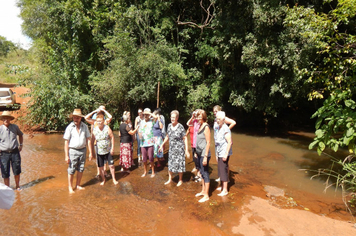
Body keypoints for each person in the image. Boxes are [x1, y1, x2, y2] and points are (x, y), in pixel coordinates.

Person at [64, 109, 93, 193]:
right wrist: (66, 156)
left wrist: (90, 152)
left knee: (81, 168)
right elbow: (66, 142)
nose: (75, 119)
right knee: (71, 169)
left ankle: (78, 185)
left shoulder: (85, 126)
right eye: (74, 117)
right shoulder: (70, 127)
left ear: (80, 118)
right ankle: (70, 187)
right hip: (73, 150)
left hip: (83, 150)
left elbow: (88, 139)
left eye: (77, 118)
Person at [159, 110, 190, 187]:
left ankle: (180, 180)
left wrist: (186, 150)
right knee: (170, 163)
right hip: (172, 149)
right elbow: (167, 136)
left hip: (179, 149)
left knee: (179, 164)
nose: (172, 119)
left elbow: (185, 138)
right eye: (171, 117)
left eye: (173, 117)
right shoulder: (169, 126)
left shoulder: (180, 127)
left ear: (177, 118)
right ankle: (170, 179)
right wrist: (162, 144)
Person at [85, 106, 112, 179]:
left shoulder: (105, 121)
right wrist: (94, 111)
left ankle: (105, 171)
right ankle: (98, 172)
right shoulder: (94, 121)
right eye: (100, 111)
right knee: (98, 157)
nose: (100, 112)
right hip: (96, 142)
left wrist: (104, 111)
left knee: (105, 157)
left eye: (102, 111)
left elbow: (110, 116)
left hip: (105, 142)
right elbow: (86, 118)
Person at [91, 114, 118, 185]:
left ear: (103, 121)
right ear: (96, 122)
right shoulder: (95, 130)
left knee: (111, 165)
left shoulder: (107, 128)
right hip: (99, 151)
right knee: (101, 167)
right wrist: (92, 152)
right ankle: (103, 179)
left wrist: (112, 148)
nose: (99, 122)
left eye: (100, 121)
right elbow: (92, 141)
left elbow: (112, 137)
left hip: (108, 150)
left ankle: (114, 179)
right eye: (98, 121)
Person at [0, 111, 23, 191]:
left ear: (10, 119)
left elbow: (20, 134)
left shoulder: (15, 127)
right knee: (5, 172)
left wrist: (21, 145)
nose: (6, 120)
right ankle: (7, 188)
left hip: (15, 152)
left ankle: (17, 186)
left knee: (17, 170)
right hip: (3, 154)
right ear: (2, 119)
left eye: (7, 118)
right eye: (4, 118)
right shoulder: (0, 129)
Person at [213, 105, 235, 182]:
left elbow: (233, 122)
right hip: (217, 143)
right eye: (214, 111)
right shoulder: (216, 120)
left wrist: (226, 130)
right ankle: (221, 177)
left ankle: (226, 178)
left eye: (216, 111)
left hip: (224, 143)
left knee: (224, 163)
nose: (215, 113)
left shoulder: (223, 119)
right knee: (218, 161)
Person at [194, 109, 211, 202]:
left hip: (205, 154)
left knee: (205, 174)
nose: (198, 118)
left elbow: (208, 142)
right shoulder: (200, 126)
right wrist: (196, 152)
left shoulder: (206, 127)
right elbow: (199, 141)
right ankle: (203, 191)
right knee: (201, 173)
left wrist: (205, 156)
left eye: (200, 116)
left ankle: (206, 195)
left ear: (203, 116)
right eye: (197, 116)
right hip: (199, 153)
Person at [214, 111, 232, 196]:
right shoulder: (218, 127)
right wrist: (217, 153)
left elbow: (229, 142)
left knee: (223, 170)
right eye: (217, 119)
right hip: (219, 151)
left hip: (224, 152)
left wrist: (225, 154)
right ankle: (222, 187)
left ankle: (225, 190)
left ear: (223, 120)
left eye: (219, 119)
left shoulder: (225, 128)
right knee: (220, 170)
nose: (217, 120)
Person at [138, 108, 155, 178]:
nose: (145, 116)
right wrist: (139, 135)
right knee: (144, 158)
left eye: (147, 114)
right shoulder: (141, 122)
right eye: (144, 114)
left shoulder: (152, 121)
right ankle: (145, 171)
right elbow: (139, 131)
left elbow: (156, 117)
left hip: (150, 142)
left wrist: (149, 113)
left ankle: (153, 171)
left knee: (151, 157)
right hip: (143, 143)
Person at [186, 109, 201, 181]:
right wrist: (192, 117)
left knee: (198, 158)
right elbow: (188, 124)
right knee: (195, 158)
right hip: (193, 144)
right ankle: (198, 171)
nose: (195, 117)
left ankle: (199, 174)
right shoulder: (193, 123)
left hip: (199, 144)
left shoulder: (200, 123)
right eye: (195, 115)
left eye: (196, 116)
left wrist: (198, 115)